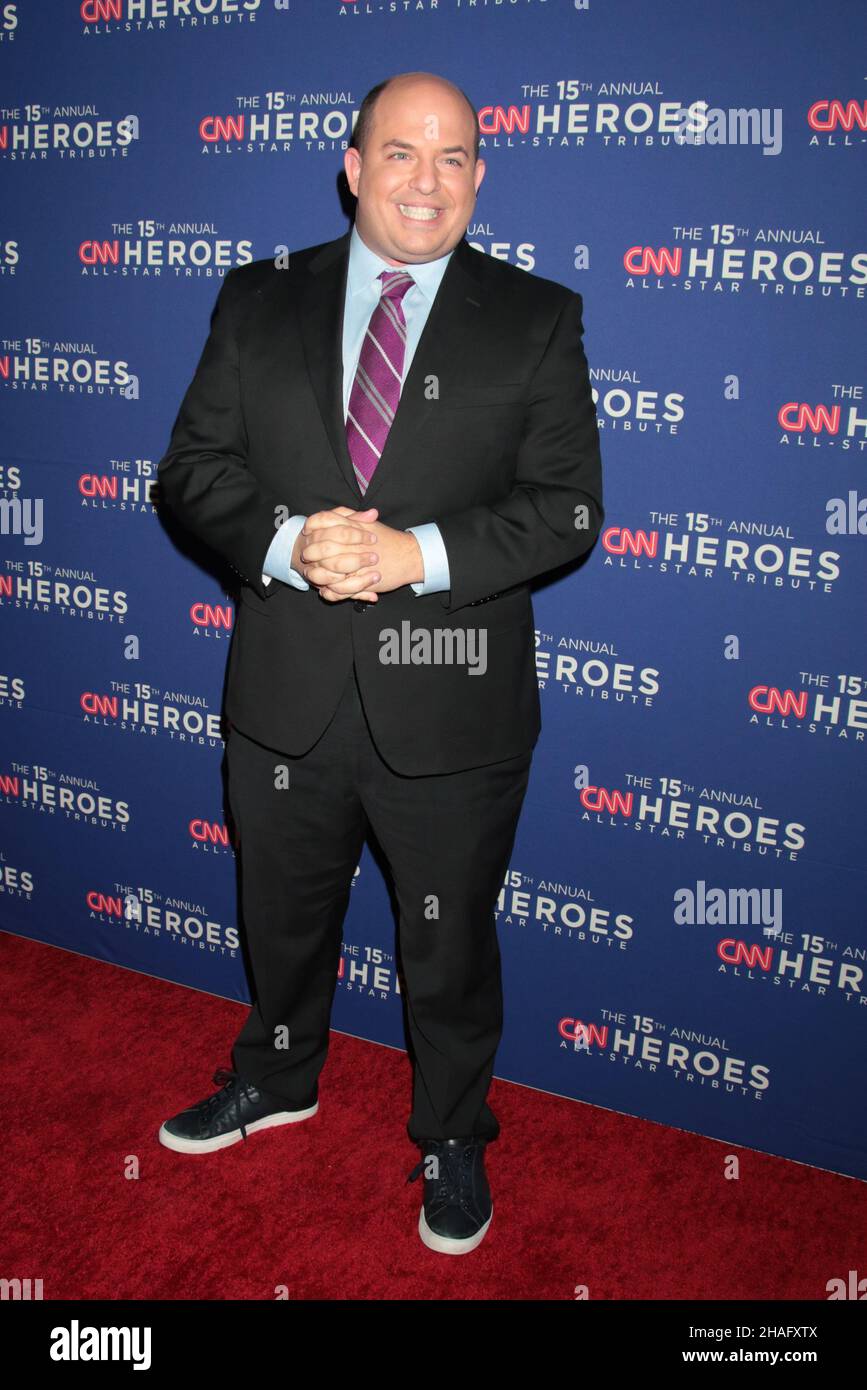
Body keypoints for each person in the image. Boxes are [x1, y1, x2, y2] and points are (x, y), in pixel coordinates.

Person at [156, 69, 603, 1255]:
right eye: (401, 153)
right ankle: (280, 1073)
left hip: (453, 701)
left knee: (448, 944)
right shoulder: (258, 299)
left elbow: (567, 511)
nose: (427, 179)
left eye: (454, 157)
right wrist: (295, 541)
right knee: (281, 915)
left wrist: (418, 552)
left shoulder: (536, 315)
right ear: (353, 166)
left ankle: (453, 1133)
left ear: (479, 179)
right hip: (287, 689)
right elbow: (193, 471)